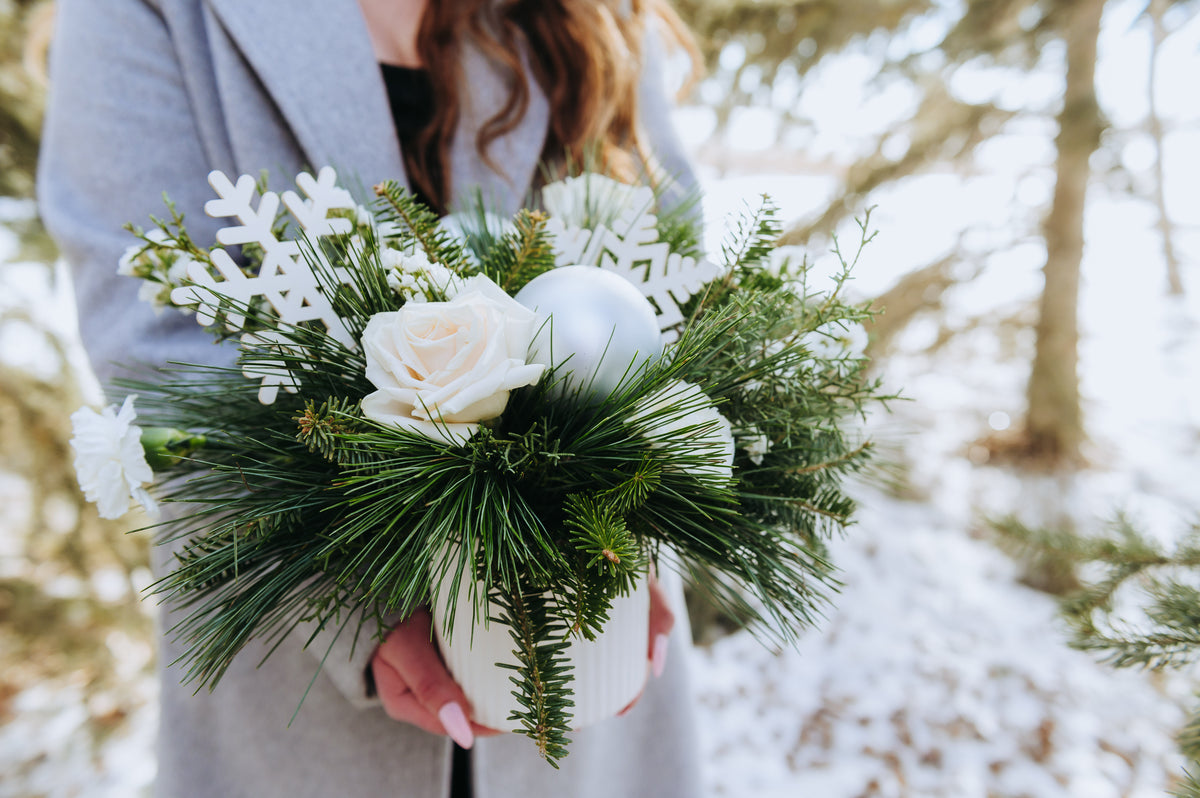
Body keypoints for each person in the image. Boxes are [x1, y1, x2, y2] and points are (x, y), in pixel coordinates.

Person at [38, 1, 706, 797]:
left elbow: (676, 284)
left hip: (587, 667)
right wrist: (359, 608)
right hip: (299, 693)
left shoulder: (592, 13)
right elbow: (158, 345)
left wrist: (642, 539)